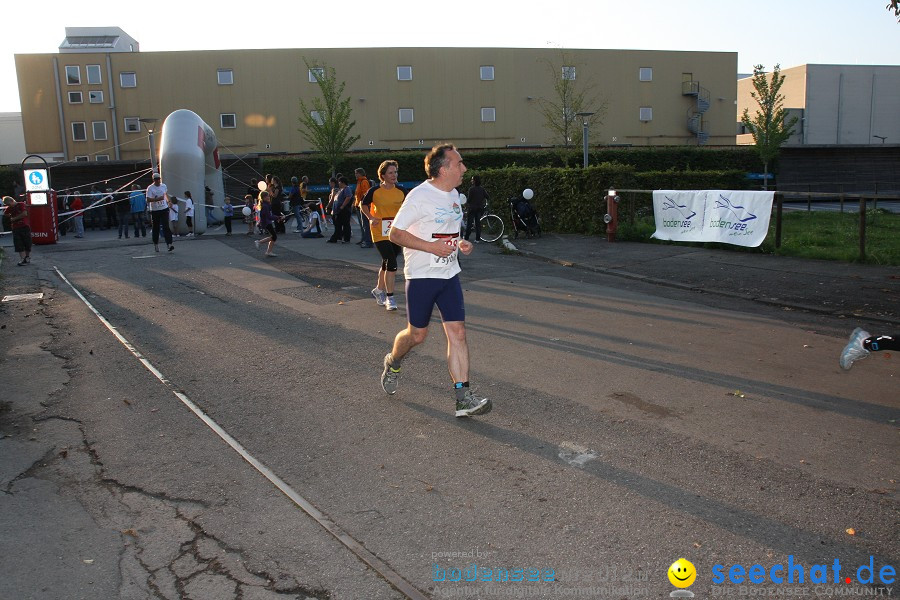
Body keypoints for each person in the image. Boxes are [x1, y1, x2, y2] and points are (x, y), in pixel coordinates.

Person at [379, 144, 491, 418]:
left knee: (458, 333)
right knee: (417, 335)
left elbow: (444, 232)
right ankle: (393, 361)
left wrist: (460, 242)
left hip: (449, 274)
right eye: (459, 164)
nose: (464, 168)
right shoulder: (419, 196)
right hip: (422, 276)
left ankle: (463, 398)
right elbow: (395, 233)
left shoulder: (454, 195)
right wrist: (430, 248)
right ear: (444, 169)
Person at [361, 160, 406, 311]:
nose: (394, 175)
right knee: (392, 263)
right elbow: (363, 204)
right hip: (379, 231)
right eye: (391, 173)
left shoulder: (401, 191)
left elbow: (409, 208)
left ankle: (378, 290)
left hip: (395, 231)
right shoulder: (374, 191)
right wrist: (371, 218)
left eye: (395, 172)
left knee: (386, 262)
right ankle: (390, 297)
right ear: (383, 175)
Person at [147, 173, 174, 252]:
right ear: (154, 180)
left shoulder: (163, 186)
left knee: (166, 226)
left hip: (164, 208)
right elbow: (148, 199)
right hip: (155, 210)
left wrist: (169, 201)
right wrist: (157, 199)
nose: (158, 181)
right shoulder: (150, 188)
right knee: (156, 227)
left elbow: (165, 194)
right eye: (156, 179)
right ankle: (156, 244)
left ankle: (169, 244)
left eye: (159, 179)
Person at [3, 196, 32, 266]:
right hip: (15, 227)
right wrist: (9, 215)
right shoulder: (10, 208)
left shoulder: (21, 204)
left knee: (27, 242)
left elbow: (24, 213)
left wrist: (14, 218)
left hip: (24, 225)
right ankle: (23, 258)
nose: (8, 206)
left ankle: (27, 256)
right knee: (18, 243)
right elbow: (5, 213)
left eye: (9, 204)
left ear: (11, 201)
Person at [327, 176, 354, 243]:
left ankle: (346, 239)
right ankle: (337, 237)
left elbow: (348, 197)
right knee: (338, 224)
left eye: (339, 182)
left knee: (345, 224)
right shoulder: (341, 189)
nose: (338, 183)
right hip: (339, 210)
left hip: (344, 210)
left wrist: (342, 206)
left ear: (342, 182)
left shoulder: (346, 188)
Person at [254, 191, 279, 257]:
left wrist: (278, 217)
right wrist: (277, 217)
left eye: (268, 196)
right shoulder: (265, 206)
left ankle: (268, 251)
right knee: (274, 236)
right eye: (266, 196)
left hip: (267, 222)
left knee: (274, 237)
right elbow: (269, 216)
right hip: (266, 223)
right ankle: (259, 242)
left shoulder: (267, 204)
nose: (268, 197)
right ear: (262, 198)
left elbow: (270, 215)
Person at [464, 175, 488, 242]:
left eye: (472, 179)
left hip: (472, 208)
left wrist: (466, 203)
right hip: (479, 208)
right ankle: (477, 239)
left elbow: (469, 199)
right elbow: (487, 196)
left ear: (474, 181)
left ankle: (466, 237)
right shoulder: (482, 189)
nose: (471, 180)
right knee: (478, 224)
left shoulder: (471, 189)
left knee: (469, 223)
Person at [354, 167, 372, 248]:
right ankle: (364, 239)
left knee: (365, 224)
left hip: (363, 206)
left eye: (356, 173)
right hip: (360, 205)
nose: (355, 175)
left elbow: (365, 194)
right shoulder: (360, 182)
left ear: (360, 173)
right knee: (363, 224)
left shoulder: (363, 181)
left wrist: (361, 203)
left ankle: (368, 241)